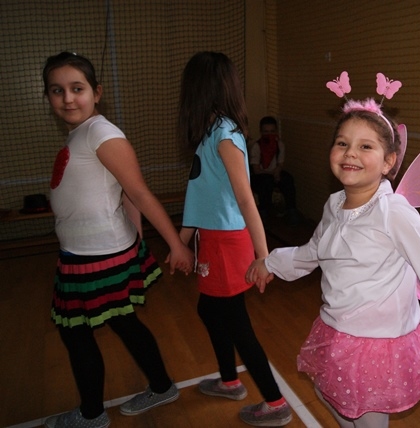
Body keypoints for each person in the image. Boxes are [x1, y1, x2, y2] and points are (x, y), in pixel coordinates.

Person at [247, 96, 420, 427]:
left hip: (379, 343)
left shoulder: (394, 213)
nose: (350, 153)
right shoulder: (334, 204)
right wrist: (271, 263)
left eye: (366, 146)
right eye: (342, 143)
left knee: (366, 419)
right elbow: (313, 251)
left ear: (389, 161)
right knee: (326, 392)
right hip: (337, 330)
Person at [41, 52, 194, 428]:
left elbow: (138, 191)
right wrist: (135, 237)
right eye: (57, 91)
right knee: (123, 321)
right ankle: (161, 386)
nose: (68, 98)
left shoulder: (101, 133)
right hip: (93, 251)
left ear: (97, 92)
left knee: (75, 332)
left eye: (77, 88)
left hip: (95, 256)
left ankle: (91, 415)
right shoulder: (83, 133)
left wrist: (176, 245)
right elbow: (121, 193)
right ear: (47, 97)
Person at [173, 51, 292, 427]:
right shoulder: (210, 133)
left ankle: (275, 403)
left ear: (199, 89)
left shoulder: (224, 135)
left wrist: (263, 257)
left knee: (235, 322)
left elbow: (245, 199)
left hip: (228, 243)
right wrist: (181, 240)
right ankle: (229, 381)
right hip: (214, 239)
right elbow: (202, 196)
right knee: (210, 311)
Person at [249, 116, 299, 225]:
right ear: (261, 132)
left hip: (274, 173)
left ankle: (291, 210)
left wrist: (277, 172)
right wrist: (273, 174)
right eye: (266, 132)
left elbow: (280, 164)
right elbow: (256, 170)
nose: (269, 134)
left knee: (288, 179)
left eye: (272, 131)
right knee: (266, 182)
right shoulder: (256, 146)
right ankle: (264, 212)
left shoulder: (279, 145)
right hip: (260, 176)